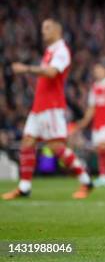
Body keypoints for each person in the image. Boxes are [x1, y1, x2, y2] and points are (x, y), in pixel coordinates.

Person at [2, 18, 93, 200]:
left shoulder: (61, 51)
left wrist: (26, 68)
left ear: (57, 31)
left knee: (57, 147)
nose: (43, 31)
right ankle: (24, 187)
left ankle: (86, 181)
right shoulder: (50, 51)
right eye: (43, 27)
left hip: (51, 106)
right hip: (39, 106)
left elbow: (52, 72)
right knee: (27, 142)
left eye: (47, 28)